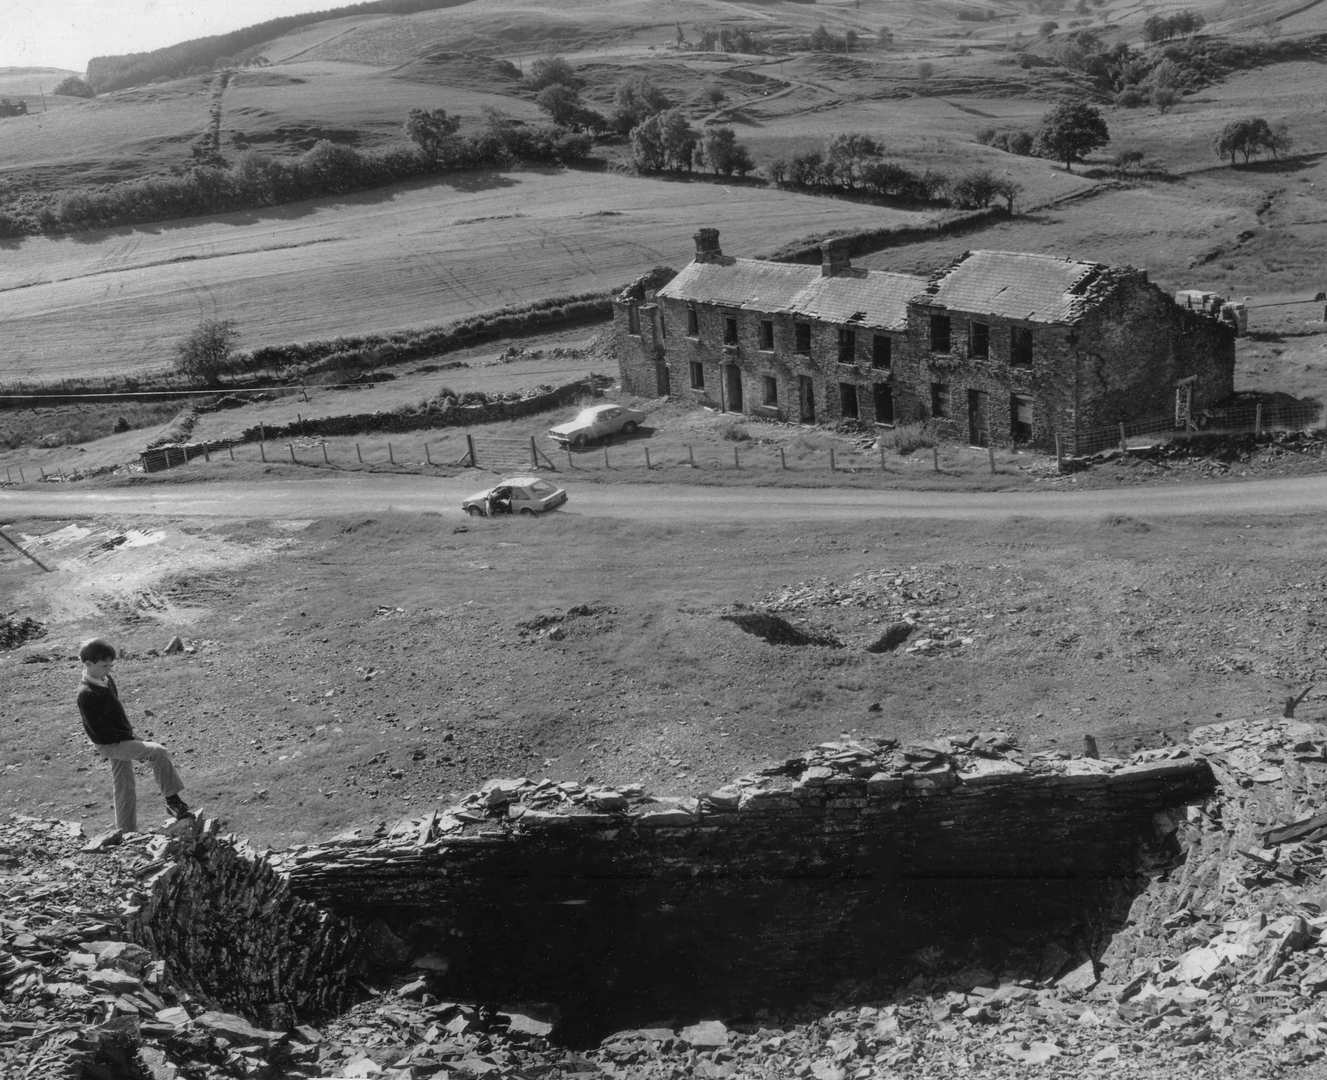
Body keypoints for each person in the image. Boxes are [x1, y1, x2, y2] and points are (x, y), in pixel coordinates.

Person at [75, 638, 193, 834]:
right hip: (110, 743)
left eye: (111, 665)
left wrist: (131, 735)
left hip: (122, 737)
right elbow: (98, 730)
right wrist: (130, 740)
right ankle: (173, 801)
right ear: (88, 664)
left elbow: (115, 712)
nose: (109, 669)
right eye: (105, 666)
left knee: (123, 785)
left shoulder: (105, 680)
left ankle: (126, 832)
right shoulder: (86, 694)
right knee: (157, 752)